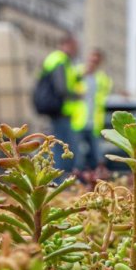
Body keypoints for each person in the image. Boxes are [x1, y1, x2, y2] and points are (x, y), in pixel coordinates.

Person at [39, 35, 80, 173]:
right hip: (59, 110)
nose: (76, 51)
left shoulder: (62, 61)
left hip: (61, 111)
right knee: (62, 146)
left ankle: (59, 175)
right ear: (66, 44)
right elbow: (61, 87)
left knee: (60, 144)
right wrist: (76, 95)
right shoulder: (59, 60)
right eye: (74, 47)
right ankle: (59, 176)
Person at [73, 49, 112, 171]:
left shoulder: (102, 79)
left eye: (96, 61)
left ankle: (95, 182)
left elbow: (105, 97)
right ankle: (76, 182)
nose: (93, 62)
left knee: (97, 157)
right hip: (77, 122)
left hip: (94, 123)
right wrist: (81, 76)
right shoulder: (77, 72)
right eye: (92, 59)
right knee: (77, 157)